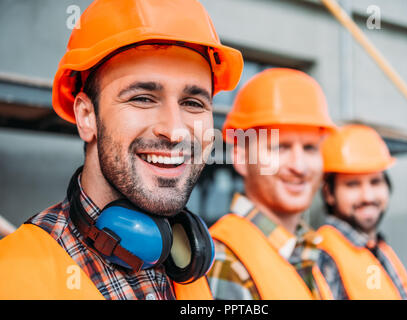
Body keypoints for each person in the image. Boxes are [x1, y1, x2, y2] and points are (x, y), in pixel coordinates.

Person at [0, 0, 243, 300]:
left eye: (193, 103)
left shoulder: (186, 263)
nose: (175, 130)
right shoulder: (12, 276)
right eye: (143, 98)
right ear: (87, 117)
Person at [206, 68, 336, 299]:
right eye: (280, 147)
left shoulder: (305, 250)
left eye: (310, 148)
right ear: (241, 158)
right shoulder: (226, 260)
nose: (300, 166)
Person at [317, 124, 407, 300]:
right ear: (328, 193)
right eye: (352, 184)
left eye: (375, 182)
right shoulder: (325, 256)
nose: (367, 196)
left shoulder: (378, 249)